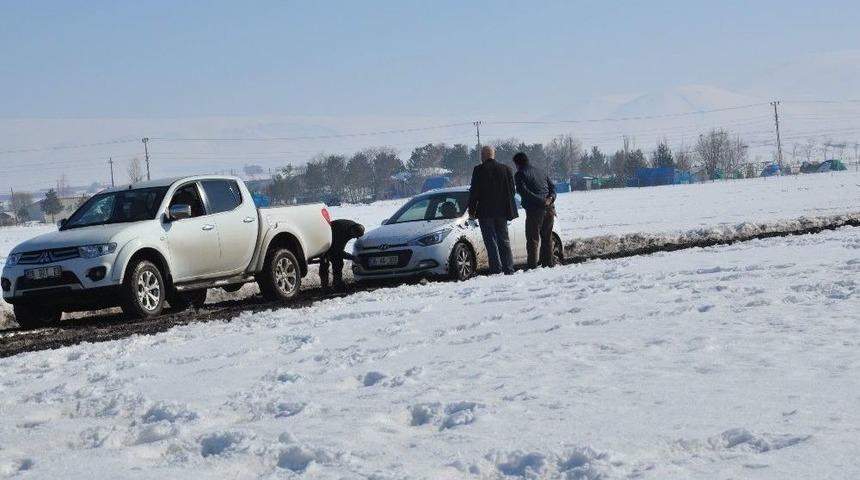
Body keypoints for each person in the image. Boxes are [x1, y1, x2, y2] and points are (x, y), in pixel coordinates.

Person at [468, 145, 518, 275]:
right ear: (493, 155)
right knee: (504, 240)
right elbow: (512, 191)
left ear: (483, 156)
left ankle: (496, 269)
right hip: (502, 212)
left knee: (491, 242)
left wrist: (471, 211)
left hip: (486, 213)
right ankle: (509, 268)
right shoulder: (506, 169)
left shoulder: (478, 170)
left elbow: (474, 193)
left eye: (481, 155)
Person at [513, 152, 556, 269]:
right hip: (550, 209)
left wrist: (541, 201)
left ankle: (532, 266)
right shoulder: (541, 171)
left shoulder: (520, 174)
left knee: (533, 239)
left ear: (517, 164)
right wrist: (550, 198)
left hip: (534, 210)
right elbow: (552, 187)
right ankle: (548, 264)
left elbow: (524, 192)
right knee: (547, 238)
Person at [320, 219, 365, 292]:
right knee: (325, 262)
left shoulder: (354, 228)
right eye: (354, 236)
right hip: (324, 241)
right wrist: (353, 258)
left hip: (335, 243)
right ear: (352, 231)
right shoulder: (341, 231)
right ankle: (324, 287)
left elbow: (339, 250)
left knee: (338, 263)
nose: (353, 238)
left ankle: (337, 284)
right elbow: (338, 251)